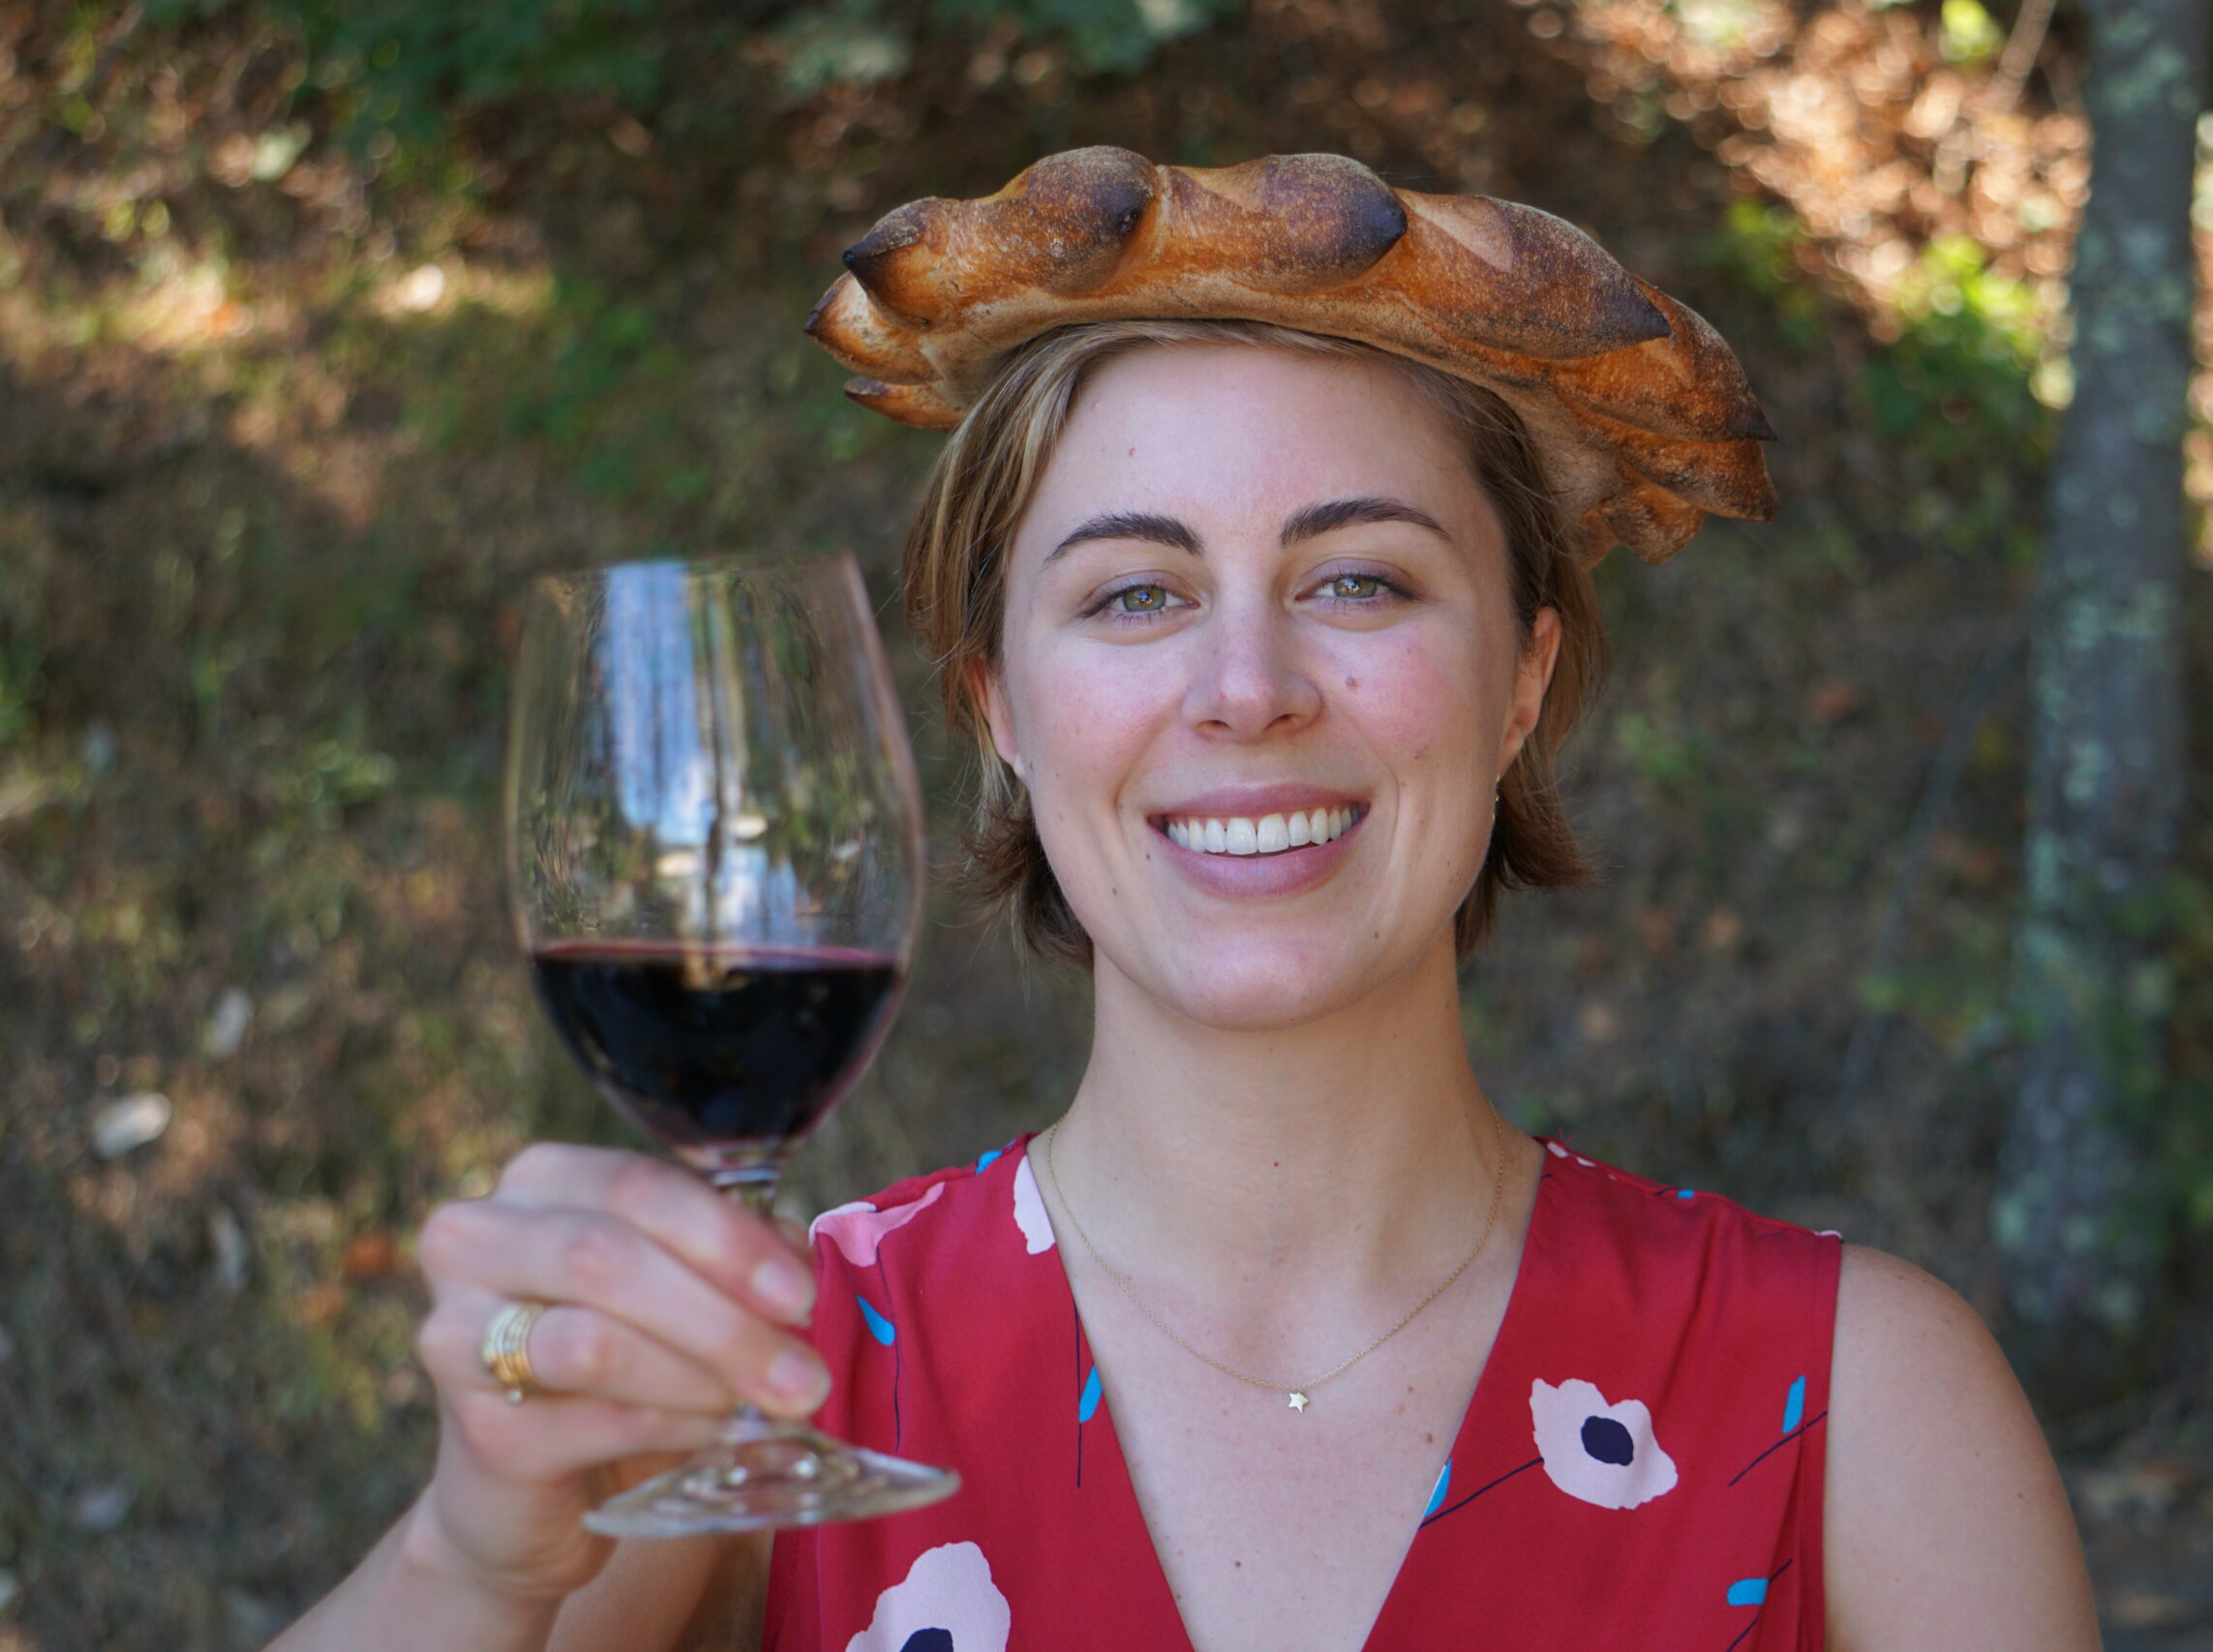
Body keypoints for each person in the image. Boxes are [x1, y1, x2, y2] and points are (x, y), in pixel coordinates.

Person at [274, 152, 2101, 1652]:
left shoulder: (1858, 1402)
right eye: (1136, 596)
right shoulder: (768, 1381)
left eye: (1363, 582)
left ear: (1524, 679)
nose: (1247, 686)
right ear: (998, 705)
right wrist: (476, 1555)